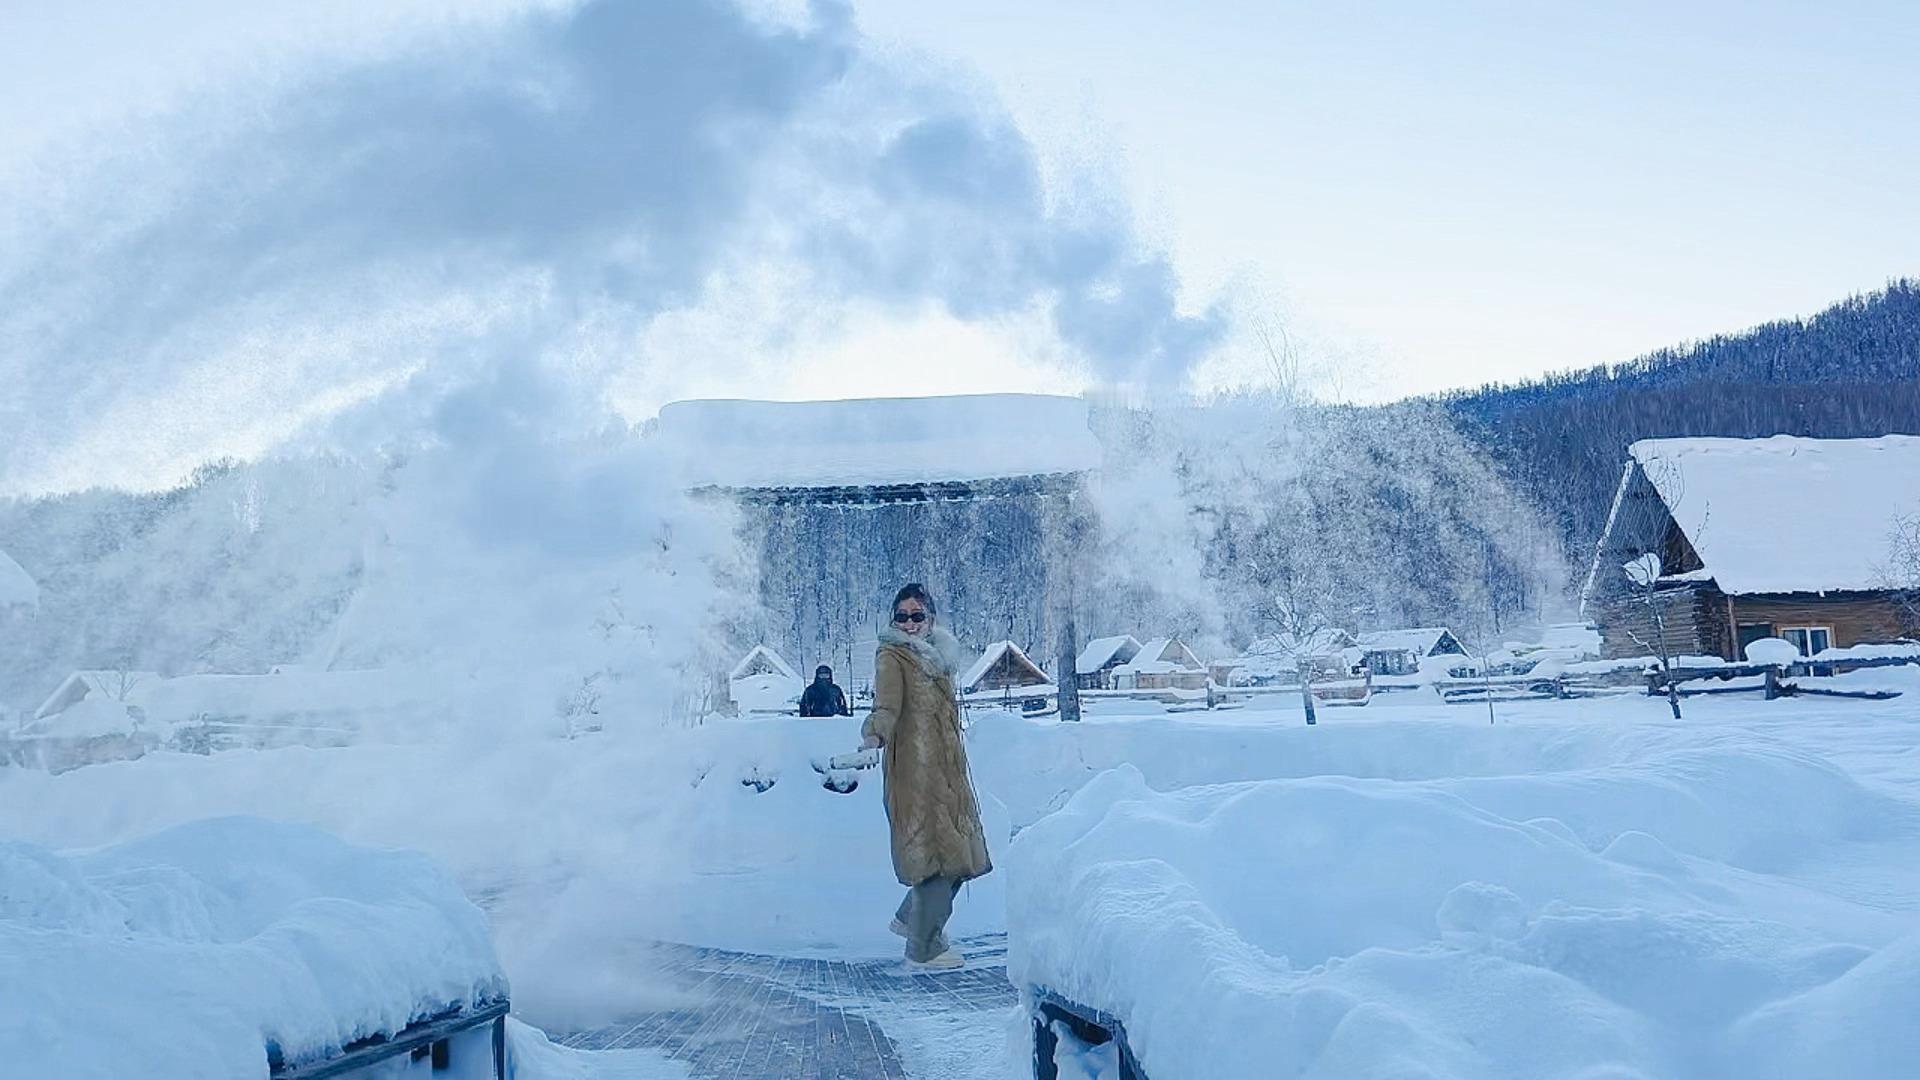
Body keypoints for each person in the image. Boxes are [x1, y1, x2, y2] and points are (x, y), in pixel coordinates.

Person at [860, 583, 991, 970]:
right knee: (941, 859)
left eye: (917, 616)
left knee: (964, 854)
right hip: (915, 777)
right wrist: (874, 734)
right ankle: (923, 947)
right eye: (902, 617)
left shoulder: (939, 657)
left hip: (946, 773)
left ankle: (910, 920)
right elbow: (886, 705)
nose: (910, 623)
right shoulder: (893, 657)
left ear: (930, 618)